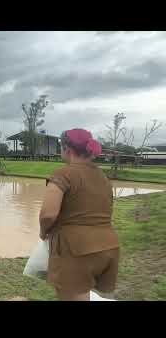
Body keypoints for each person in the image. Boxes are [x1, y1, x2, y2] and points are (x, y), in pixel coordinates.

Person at [39, 128, 119, 301]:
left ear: (67, 149)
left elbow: (48, 214)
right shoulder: (103, 177)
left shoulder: (63, 173)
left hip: (77, 249)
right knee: (84, 295)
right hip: (108, 246)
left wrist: (43, 231)